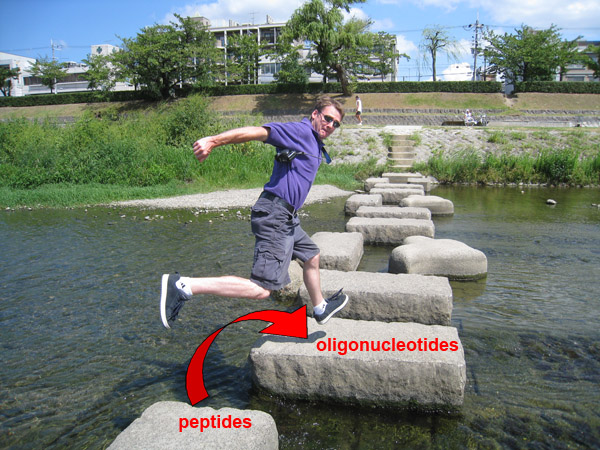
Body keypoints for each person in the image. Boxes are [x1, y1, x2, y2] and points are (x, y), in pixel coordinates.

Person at [160, 96, 349, 329]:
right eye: (328, 118)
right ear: (315, 114)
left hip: (288, 217)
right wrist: (213, 141)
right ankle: (183, 286)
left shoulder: (313, 141)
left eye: (336, 123)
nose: (330, 125)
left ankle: (320, 307)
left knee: (312, 255)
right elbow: (258, 132)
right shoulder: (300, 132)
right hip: (275, 214)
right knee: (261, 289)